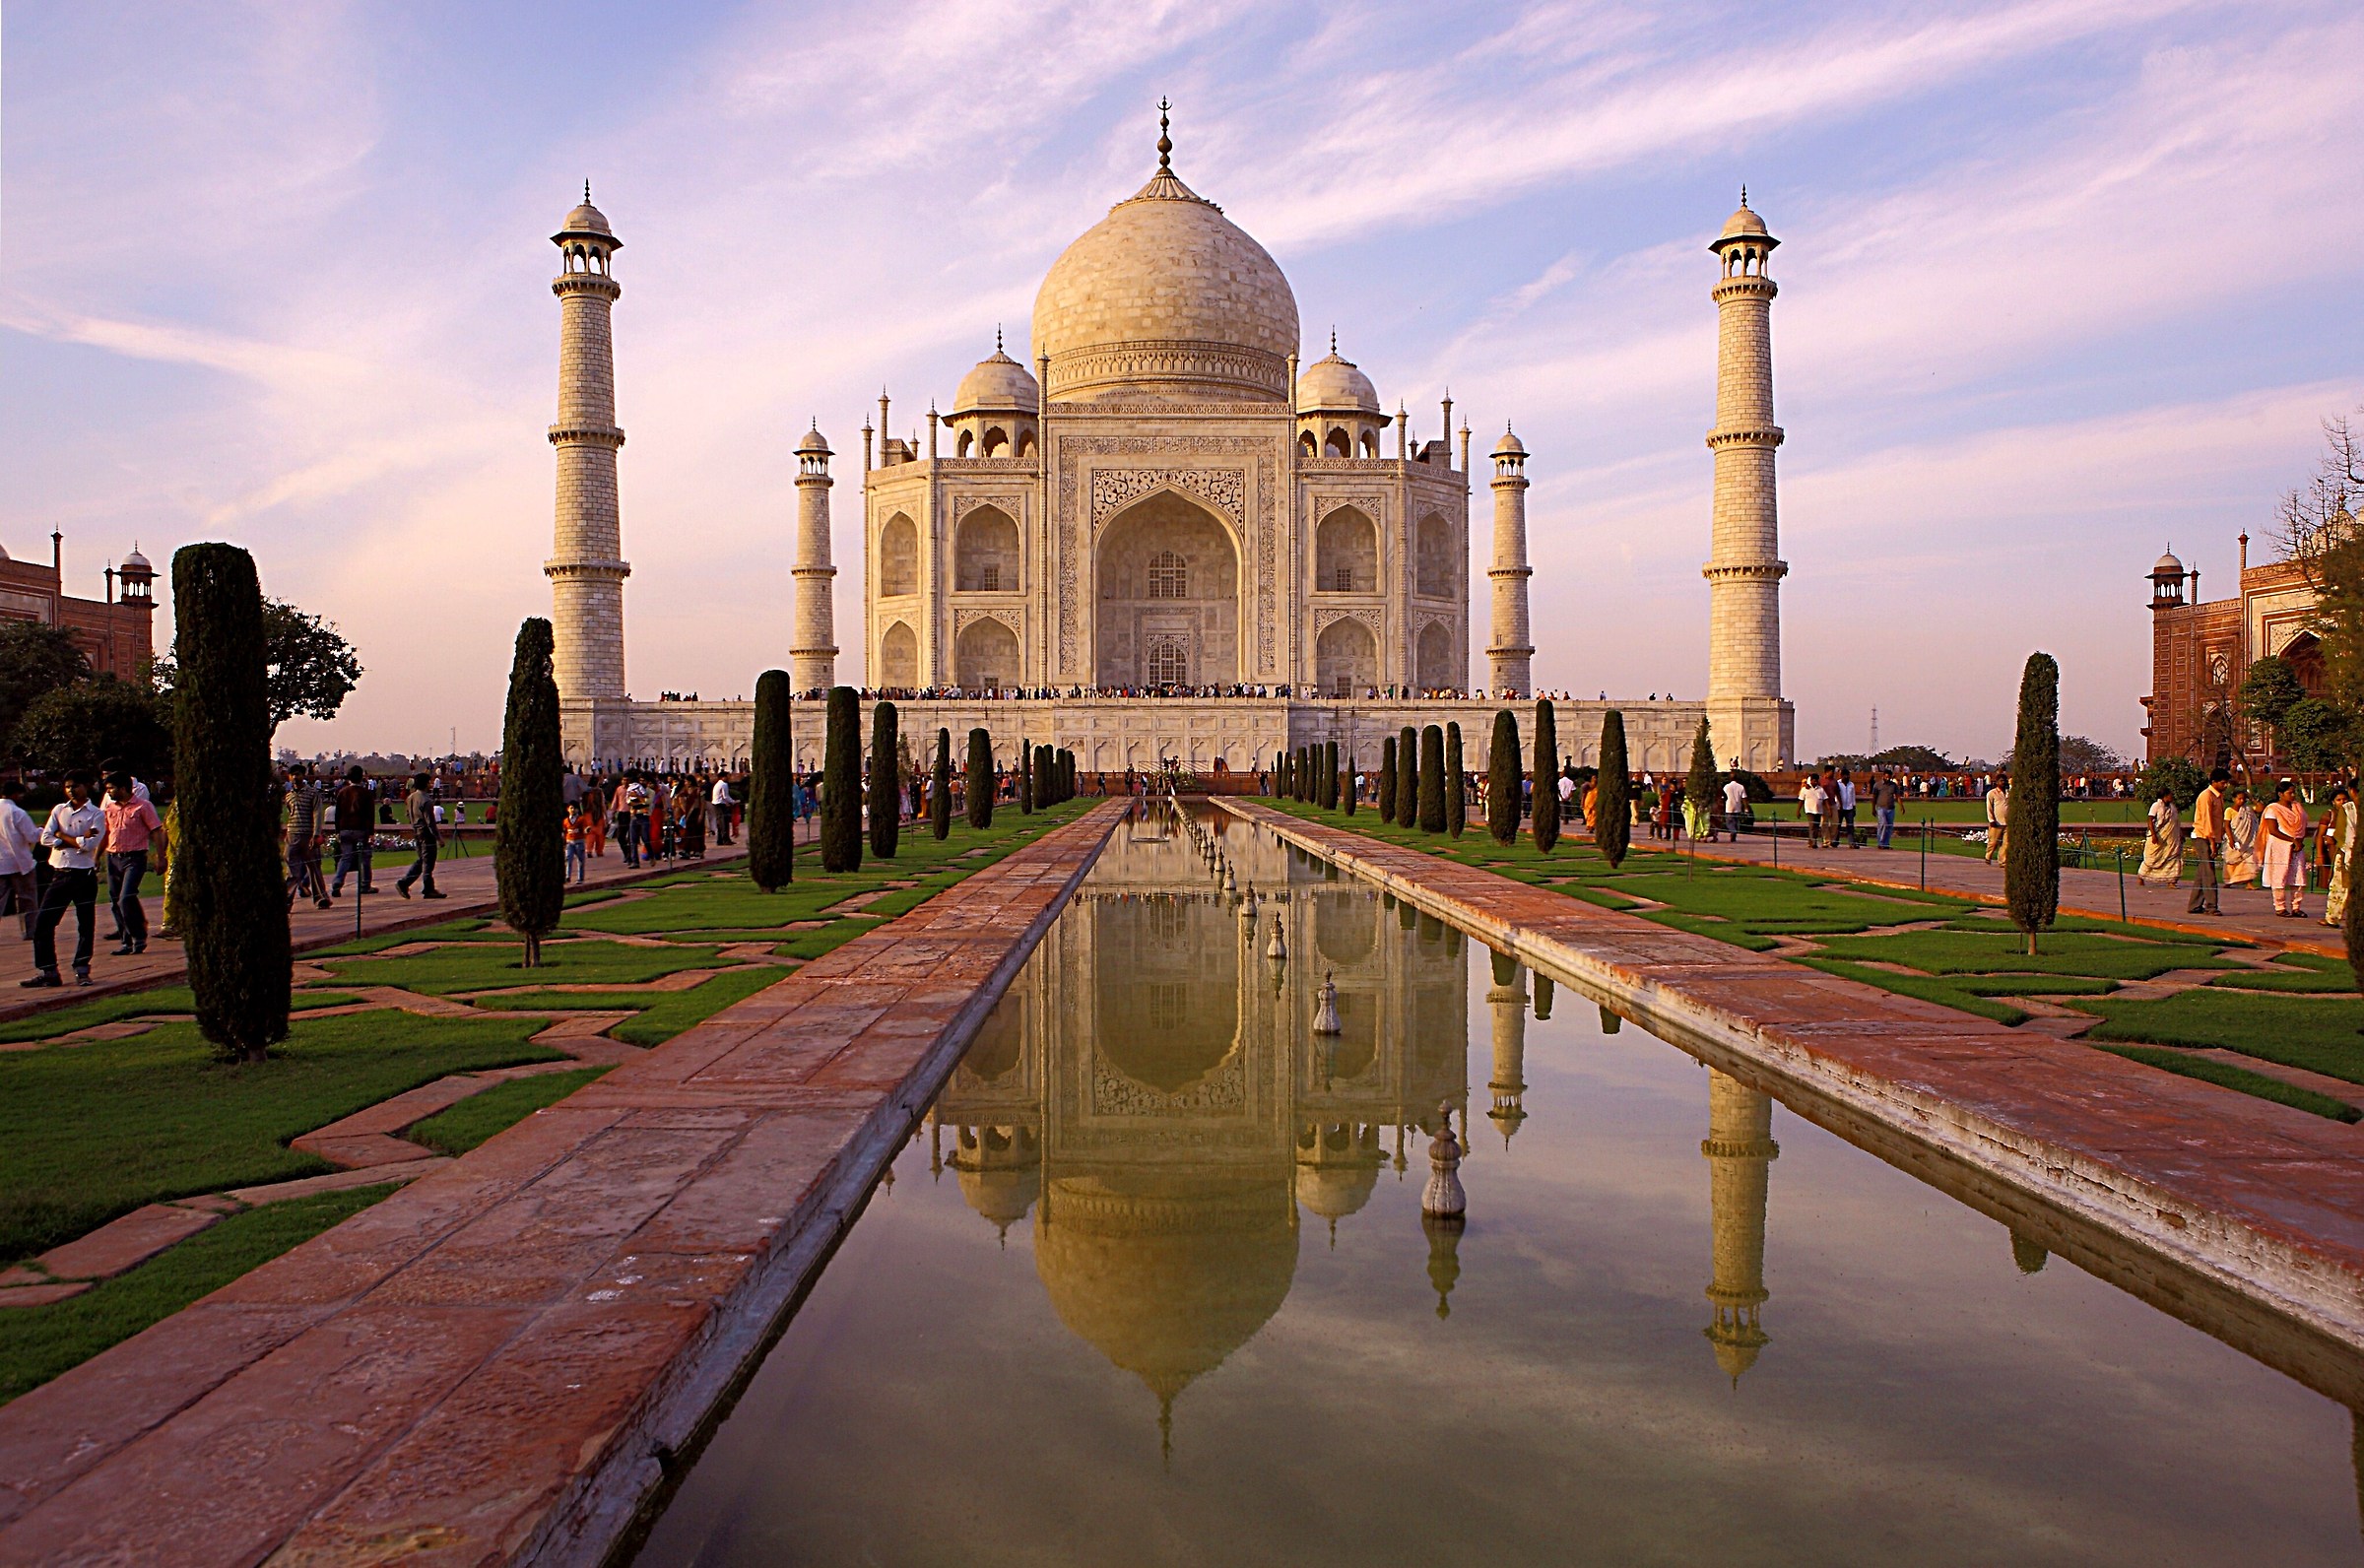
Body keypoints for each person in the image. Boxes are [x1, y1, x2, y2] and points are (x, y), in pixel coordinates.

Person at [26, 771, 103, 987]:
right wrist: (75, 840)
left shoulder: (96, 814)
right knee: (43, 923)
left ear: (86, 786)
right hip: (61, 873)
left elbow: (89, 845)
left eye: (75, 786)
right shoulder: (59, 810)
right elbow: (45, 838)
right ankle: (48, 970)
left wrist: (62, 837)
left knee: (86, 924)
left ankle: (82, 968)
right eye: (67, 786)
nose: (71, 790)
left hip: (84, 874)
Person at [98, 772, 162, 955]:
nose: (108, 792)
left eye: (111, 788)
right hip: (113, 857)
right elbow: (105, 834)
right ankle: (127, 940)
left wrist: (160, 856)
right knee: (115, 900)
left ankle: (139, 934)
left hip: (134, 857)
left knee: (126, 897)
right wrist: (96, 857)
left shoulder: (143, 807)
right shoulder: (110, 808)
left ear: (123, 788)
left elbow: (156, 832)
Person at [284, 764, 331, 909]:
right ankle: (286, 900)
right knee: (292, 870)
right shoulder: (289, 795)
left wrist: (316, 834)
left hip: (308, 835)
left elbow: (317, 814)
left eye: (298, 774)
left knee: (314, 868)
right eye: (292, 775)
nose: (295, 777)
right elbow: (290, 813)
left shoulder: (312, 793)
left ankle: (321, 898)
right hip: (293, 834)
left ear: (303, 776)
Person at [2263, 780, 2310, 917]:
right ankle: (2280, 907)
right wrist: (2292, 840)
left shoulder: (2297, 807)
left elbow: (2303, 824)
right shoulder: (2273, 809)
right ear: (2280, 794)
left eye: (2294, 792)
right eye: (2290, 793)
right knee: (2279, 875)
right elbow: (2273, 830)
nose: (2293, 795)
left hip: (2297, 846)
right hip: (2279, 844)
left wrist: (2299, 841)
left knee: (2298, 876)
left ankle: (2296, 907)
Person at [396, 771, 446, 899]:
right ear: (426, 784)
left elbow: (408, 815)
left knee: (422, 860)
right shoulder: (426, 800)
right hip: (426, 833)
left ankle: (405, 882)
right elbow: (431, 822)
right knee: (428, 862)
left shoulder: (411, 798)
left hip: (416, 831)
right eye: (429, 782)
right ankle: (428, 888)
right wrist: (439, 838)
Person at [2187, 766, 2228, 915]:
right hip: (2203, 837)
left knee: (2202, 872)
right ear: (2214, 782)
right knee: (2209, 873)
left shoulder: (2218, 796)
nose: (2225, 786)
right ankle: (2211, 906)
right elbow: (2207, 821)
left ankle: (2194, 905)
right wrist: (2212, 842)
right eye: (2223, 783)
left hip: (2212, 837)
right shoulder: (2206, 796)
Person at [329, 765, 375, 898]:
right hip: (361, 829)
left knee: (346, 858)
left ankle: (337, 882)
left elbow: (338, 814)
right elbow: (370, 815)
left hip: (345, 829)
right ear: (362, 777)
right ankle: (365, 885)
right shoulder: (366, 793)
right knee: (365, 858)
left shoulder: (342, 792)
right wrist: (371, 833)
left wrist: (338, 831)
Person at [0, 782, 37, 940]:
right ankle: (31, 931)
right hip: (19, 862)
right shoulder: (17, 812)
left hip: (1, 863)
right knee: (27, 900)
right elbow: (32, 836)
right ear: (15, 794)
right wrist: (43, 830)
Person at [2322, 785, 2356, 929]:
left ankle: (2333, 918)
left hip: (2346, 851)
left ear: (2352, 791)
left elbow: (2340, 833)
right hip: (2352, 850)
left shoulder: (2348, 808)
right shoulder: (2332, 813)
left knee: (2340, 887)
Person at [2137, 786, 2185, 888]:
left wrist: (2180, 834)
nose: (2172, 797)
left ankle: (2171, 881)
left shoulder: (2172, 808)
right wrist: (2154, 835)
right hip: (2158, 836)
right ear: (2165, 796)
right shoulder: (2156, 806)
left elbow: (2175, 823)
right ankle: (2141, 876)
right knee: (2152, 858)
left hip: (2171, 839)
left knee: (2172, 857)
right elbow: (2150, 820)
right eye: (2170, 795)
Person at [2224, 787, 2262, 885]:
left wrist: (2251, 798)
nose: (2242, 801)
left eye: (2243, 799)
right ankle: (2229, 881)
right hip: (2235, 839)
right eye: (2239, 798)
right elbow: (2227, 826)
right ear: (2234, 799)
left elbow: (2260, 808)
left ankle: (2249, 883)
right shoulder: (2229, 811)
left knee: (2248, 860)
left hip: (2247, 841)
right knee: (2232, 860)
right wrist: (2231, 839)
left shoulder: (2248, 810)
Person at [1984, 772, 2010, 865]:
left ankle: (2002, 861)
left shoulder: (2009, 792)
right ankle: (1988, 856)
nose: (2003, 782)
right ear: (1997, 782)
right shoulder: (1992, 793)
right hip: (1996, 822)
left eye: (2005, 781)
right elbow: (1989, 807)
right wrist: (1991, 820)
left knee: (2006, 843)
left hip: (2008, 821)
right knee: (1993, 842)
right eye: (2001, 781)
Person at [1872, 769, 1901, 851]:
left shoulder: (1893, 785)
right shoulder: (1877, 785)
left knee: (1889, 826)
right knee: (1883, 824)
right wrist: (1873, 808)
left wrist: (1901, 806)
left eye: (1889, 777)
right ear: (1883, 776)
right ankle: (1880, 843)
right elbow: (1874, 798)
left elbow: (1898, 796)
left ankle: (1886, 843)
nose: (1888, 778)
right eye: (1886, 777)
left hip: (1891, 808)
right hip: (1881, 807)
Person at [1798, 772, 1826, 849]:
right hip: (1809, 810)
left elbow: (1825, 800)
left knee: (1816, 827)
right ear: (1810, 781)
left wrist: (1828, 809)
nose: (1815, 782)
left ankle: (1813, 841)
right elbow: (1801, 801)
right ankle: (1813, 842)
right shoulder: (1805, 789)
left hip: (1818, 810)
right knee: (1812, 826)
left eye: (1816, 781)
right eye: (1813, 780)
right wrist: (1798, 811)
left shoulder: (1820, 789)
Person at [563, 803, 588, 884]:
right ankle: (568, 876)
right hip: (569, 843)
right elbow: (564, 831)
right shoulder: (566, 821)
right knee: (568, 859)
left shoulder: (581, 819)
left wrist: (587, 830)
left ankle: (580, 878)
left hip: (579, 842)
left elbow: (585, 828)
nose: (573, 810)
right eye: (571, 808)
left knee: (580, 861)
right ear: (568, 809)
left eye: (575, 808)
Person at [1722, 774, 1747, 842]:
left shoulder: (1726, 787)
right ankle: (1734, 834)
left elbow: (1723, 796)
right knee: (1736, 822)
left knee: (1729, 822)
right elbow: (1744, 798)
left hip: (1729, 806)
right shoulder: (1741, 787)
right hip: (1737, 806)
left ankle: (1733, 832)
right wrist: (1746, 807)